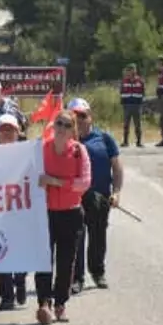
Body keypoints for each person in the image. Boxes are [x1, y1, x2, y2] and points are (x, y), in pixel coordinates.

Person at [34, 110, 91, 325]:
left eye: (67, 125)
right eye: (59, 123)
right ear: (53, 125)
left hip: (71, 212)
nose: (62, 128)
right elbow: (31, 175)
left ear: (73, 130)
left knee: (66, 262)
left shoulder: (79, 151)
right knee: (43, 259)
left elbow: (84, 183)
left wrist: (56, 182)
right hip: (45, 212)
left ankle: (60, 303)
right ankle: (44, 302)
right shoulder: (41, 148)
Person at [68, 98, 123, 293]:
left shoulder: (105, 139)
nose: (80, 120)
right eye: (74, 116)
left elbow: (116, 169)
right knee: (76, 238)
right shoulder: (65, 142)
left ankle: (98, 272)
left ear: (90, 116)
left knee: (98, 237)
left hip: (101, 198)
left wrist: (116, 193)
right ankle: (76, 278)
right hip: (73, 199)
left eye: (82, 115)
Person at [0, 114, 28, 310]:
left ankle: (20, 281)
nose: (7, 133)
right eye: (3, 130)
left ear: (18, 132)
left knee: (21, 250)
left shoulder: (29, 153)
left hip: (22, 210)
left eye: (10, 129)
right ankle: (6, 295)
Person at [119, 64, 145, 148]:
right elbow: (121, 92)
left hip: (136, 105)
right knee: (126, 124)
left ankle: (139, 142)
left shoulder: (140, 81)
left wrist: (140, 102)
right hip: (127, 105)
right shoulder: (124, 81)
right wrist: (123, 103)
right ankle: (125, 141)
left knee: (138, 124)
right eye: (129, 70)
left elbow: (142, 92)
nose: (131, 72)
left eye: (133, 70)